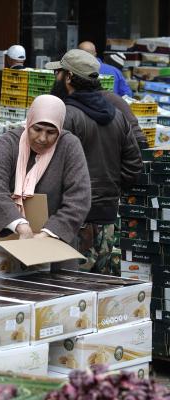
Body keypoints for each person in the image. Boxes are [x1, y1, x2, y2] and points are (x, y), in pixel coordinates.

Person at [47, 49, 142, 274]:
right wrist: (111, 190)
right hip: (108, 220)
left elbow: (50, 167)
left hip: (73, 220)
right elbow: (134, 166)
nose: (56, 78)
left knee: (72, 294)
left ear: (69, 77)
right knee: (101, 293)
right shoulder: (117, 116)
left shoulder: (66, 116)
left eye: (58, 73)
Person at [0, 95, 91, 258]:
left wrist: (46, 234)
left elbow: (79, 198)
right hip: (11, 239)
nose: (42, 138)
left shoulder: (69, 146)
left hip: (56, 245)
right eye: (37, 129)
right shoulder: (9, 142)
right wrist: (21, 226)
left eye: (51, 132)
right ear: (29, 123)